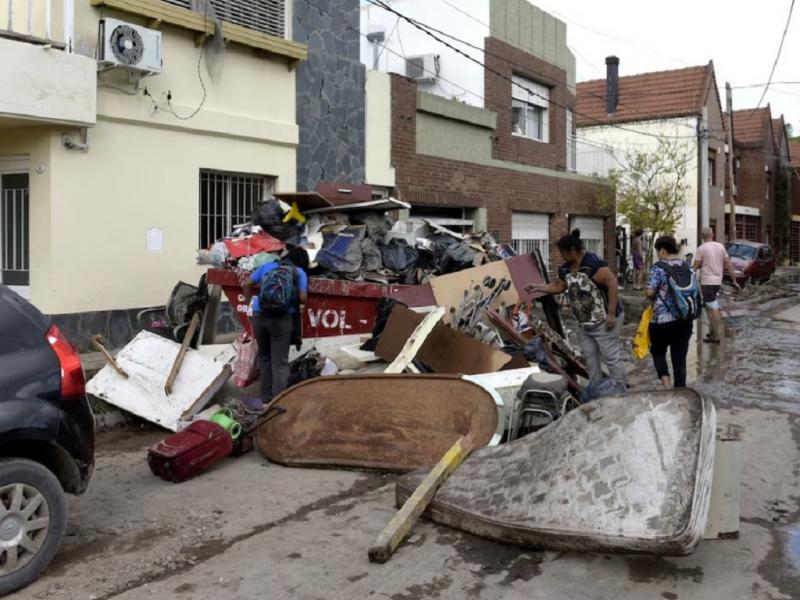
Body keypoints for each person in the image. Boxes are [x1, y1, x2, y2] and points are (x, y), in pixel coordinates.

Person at [526, 230, 625, 388]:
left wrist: (612, 314)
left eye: (563, 253)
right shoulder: (566, 269)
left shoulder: (593, 265)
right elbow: (558, 286)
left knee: (611, 357)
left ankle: (620, 390)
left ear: (572, 250)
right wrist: (538, 287)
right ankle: (596, 391)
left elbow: (612, 283)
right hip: (584, 324)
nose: (562, 256)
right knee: (590, 359)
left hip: (604, 321)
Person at [243, 247, 309, 402]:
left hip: (260, 315)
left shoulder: (268, 266)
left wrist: (250, 306)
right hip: (281, 318)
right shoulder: (299, 272)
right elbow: (303, 297)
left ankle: (266, 399)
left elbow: (247, 285)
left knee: (265, 359)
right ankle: (280, 402)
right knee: (280, 362)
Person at [646, 235, 697, 389]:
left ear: (662, 250)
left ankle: (667, 389)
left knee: (658, 352)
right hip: (684, 319)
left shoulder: (658, 267)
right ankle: (680, 392)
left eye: (657, 251)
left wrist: (656, 295)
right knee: (679, 358)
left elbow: (649, 292)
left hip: (661, 321)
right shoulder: (687, 266)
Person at [693, 227, 740, 344]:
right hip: (717, 281)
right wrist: (734, 280)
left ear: (702, 237)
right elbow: (728, 264)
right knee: (712, 305)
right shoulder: (720, 246)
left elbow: (696, 266)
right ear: (712, 234)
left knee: (711, 309)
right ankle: (713, 332)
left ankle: (716, 336)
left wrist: (690, 274)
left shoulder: (701, 248)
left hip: (707, 282)